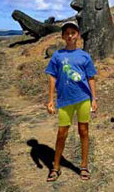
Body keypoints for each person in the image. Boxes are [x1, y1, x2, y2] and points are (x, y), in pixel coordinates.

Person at [45, 21, 97, 182]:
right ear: (62, 36)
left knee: (84, 131)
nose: (69, 35)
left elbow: (91, 78)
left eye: (72, 33)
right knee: (62, 133)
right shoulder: (57, 55)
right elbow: (52, 77)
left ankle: (83, 166)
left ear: (78, 35)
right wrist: (50, 100)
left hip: (83, 99)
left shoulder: (84, 56)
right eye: (66, 33)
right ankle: (55, 167)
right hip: (65, 100)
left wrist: (94, 99)